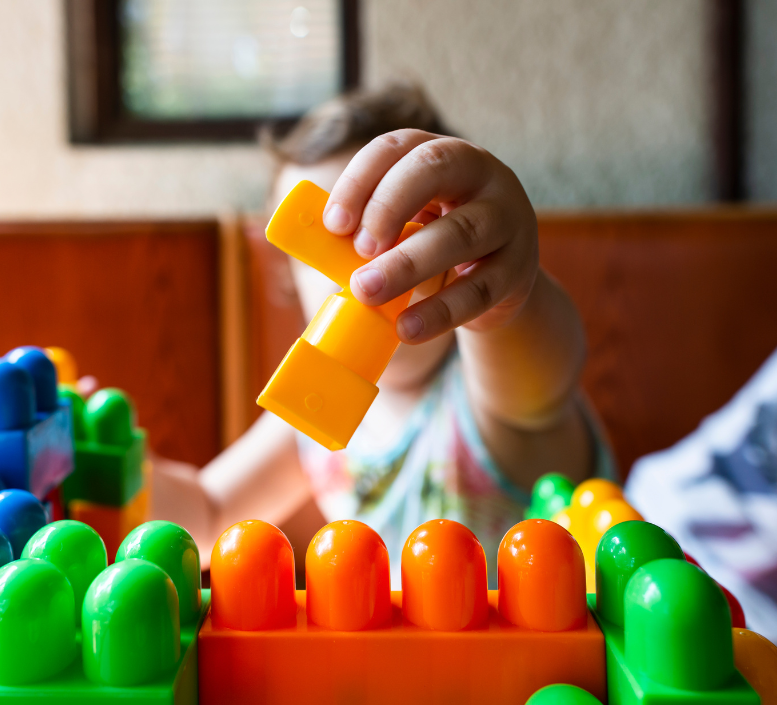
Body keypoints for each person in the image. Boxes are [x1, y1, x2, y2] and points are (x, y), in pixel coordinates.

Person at [151, 84, 614, 584]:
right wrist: (113, 468)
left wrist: (507, 285)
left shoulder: (488, 395)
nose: (363, 273)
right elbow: (208, 512)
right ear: (289, 281)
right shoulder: (310, 415)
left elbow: (541, 379)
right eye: (322, 250)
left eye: (393, 236)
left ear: (454, 249)